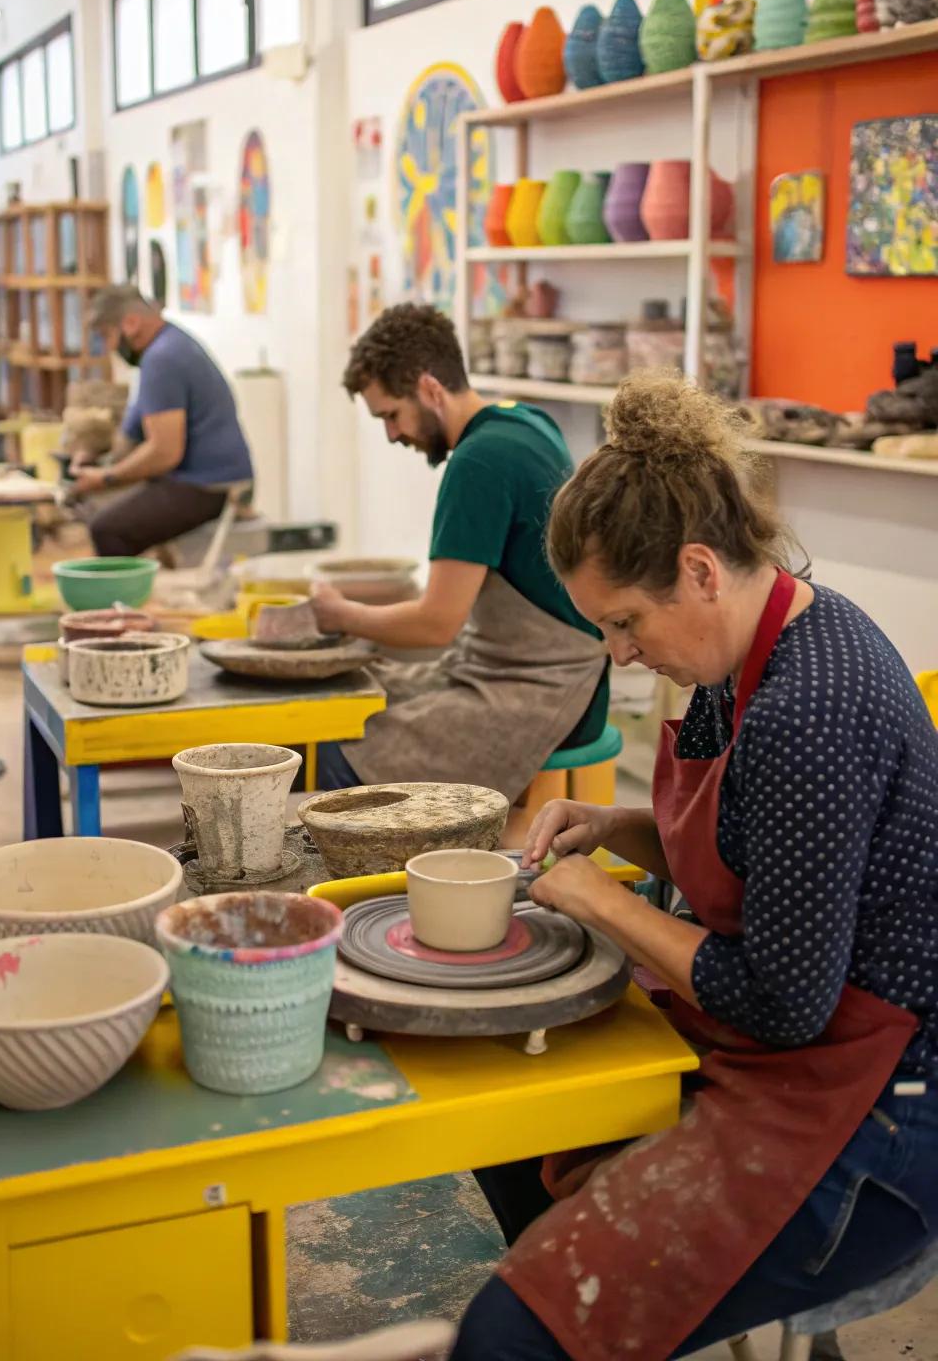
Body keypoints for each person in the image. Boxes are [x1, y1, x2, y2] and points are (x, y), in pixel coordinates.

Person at [448, 372, 938, 1361]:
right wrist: (613, 826)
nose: (618, 654)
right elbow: (734, 838)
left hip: (875, 1111)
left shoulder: (810, 708)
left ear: (702, 570)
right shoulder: (751, 644)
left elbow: (784, 1003)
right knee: (502, 1116)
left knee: (507, 1340)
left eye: (627, 621)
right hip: (801, 1047)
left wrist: (599, 904)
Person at [311, 303, 608, 807]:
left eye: (391, 415)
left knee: (339, 754)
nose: (392, 434)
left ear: (430, 388)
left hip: (545, 691)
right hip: (552, 674)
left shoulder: (478, 462)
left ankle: (377, 883)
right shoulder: (526, 420)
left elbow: (435, 625)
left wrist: (342, 616)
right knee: (355, 702)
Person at [69, 286, 253, 556]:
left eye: (107, 336)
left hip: (210, 486)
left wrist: (106, 478)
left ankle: (125, 597)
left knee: (108, 529)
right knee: (101, 507)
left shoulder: (162, 359)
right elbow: (133, 434)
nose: (109, 347)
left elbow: (165, 453)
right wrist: (95, 457)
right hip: (199, 478)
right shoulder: (166, 346)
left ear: (130, 324)